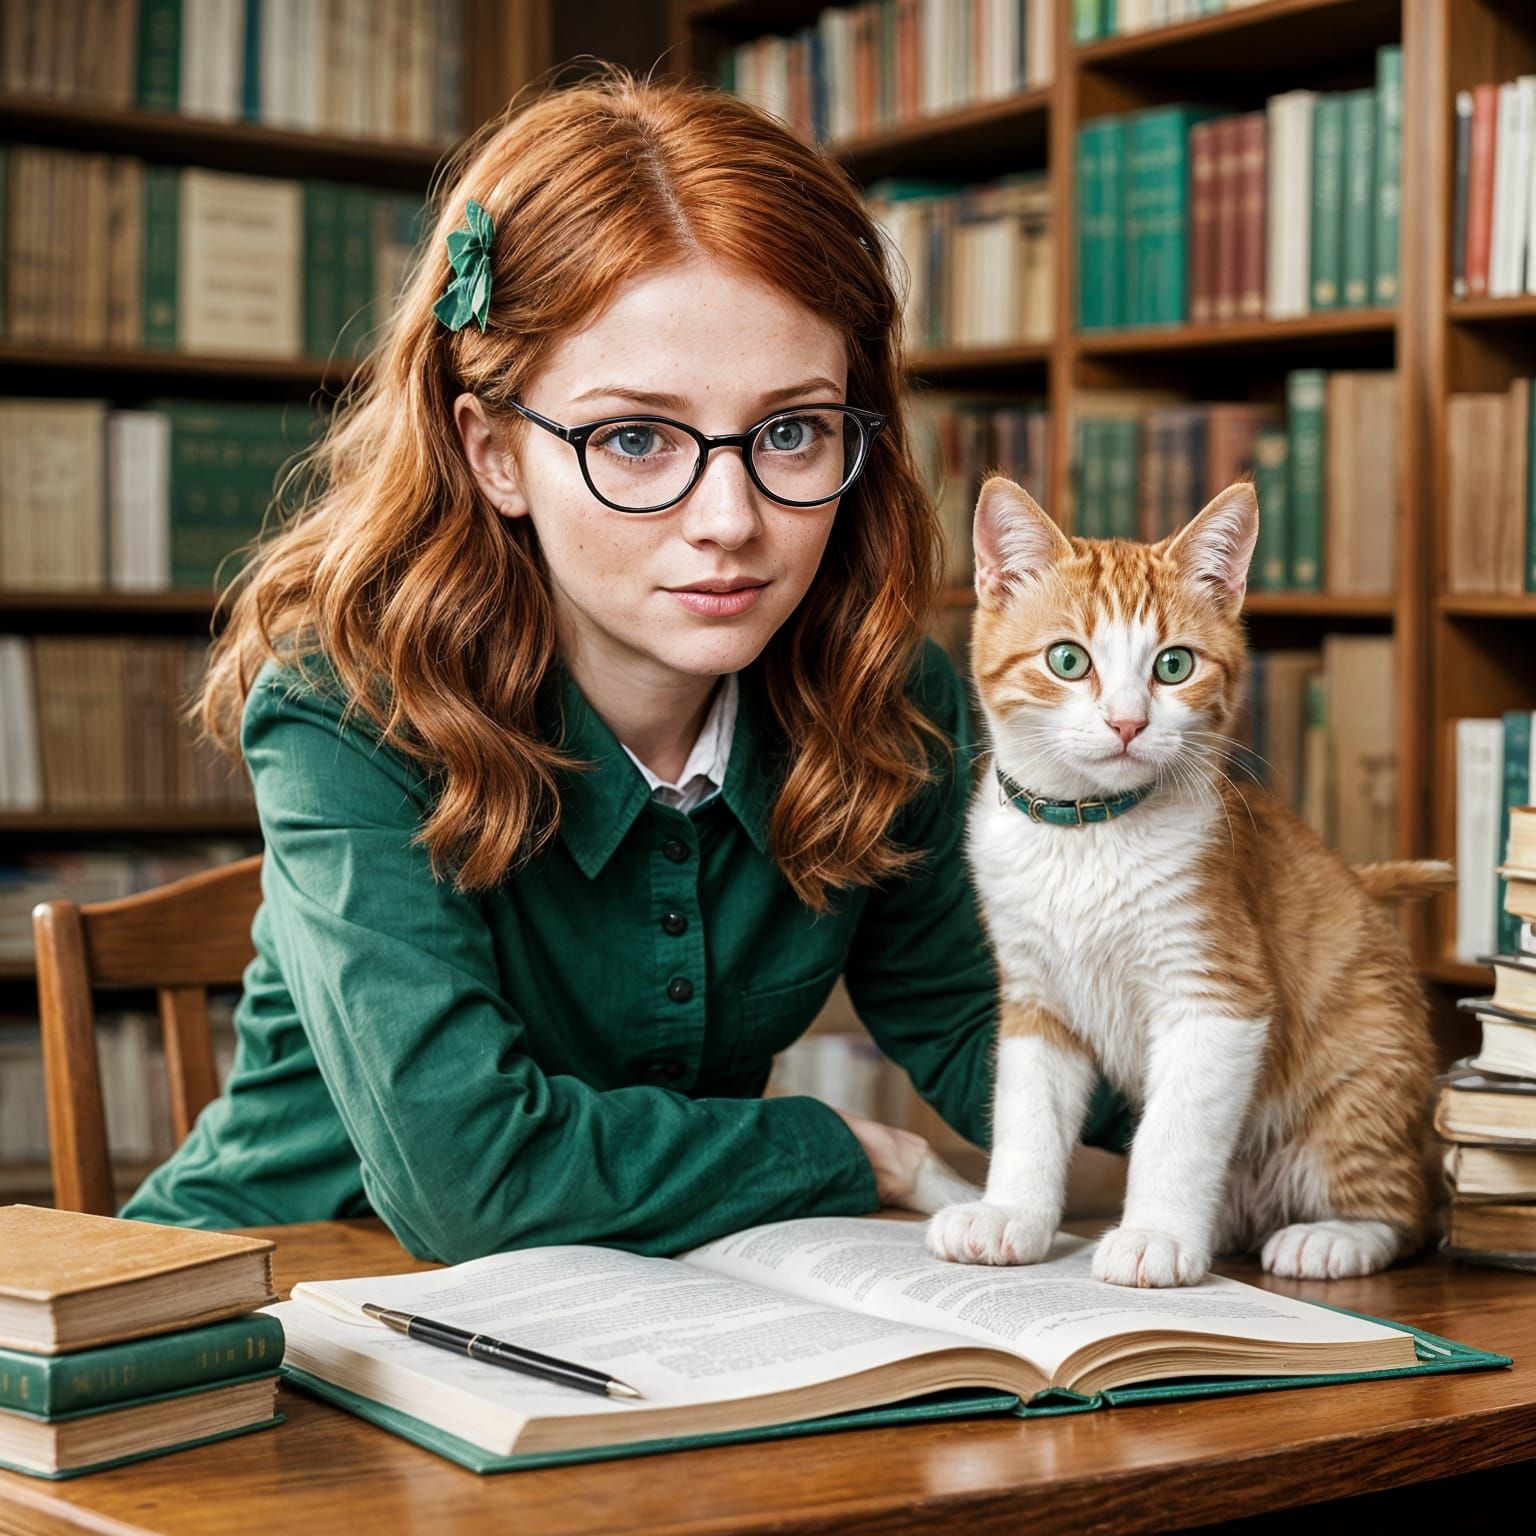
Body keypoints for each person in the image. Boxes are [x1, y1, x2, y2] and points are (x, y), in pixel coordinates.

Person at [118, 65, 1132, 1263]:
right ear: (493, 452)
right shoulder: (348, 712)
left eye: (792, 431)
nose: (729, 519)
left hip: (636, 1307)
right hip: (263, 1313)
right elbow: (473, 1179)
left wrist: (1286, 1056)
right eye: (637, 439)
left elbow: (985, 1035)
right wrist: (831, 1151)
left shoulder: (880, 699)